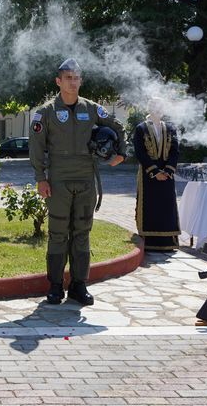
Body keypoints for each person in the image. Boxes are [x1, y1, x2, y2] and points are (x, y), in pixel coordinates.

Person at [29, 58, 126, 305]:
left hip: (85, 178)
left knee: (82, 232)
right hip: (59, 179)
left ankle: (79, 285)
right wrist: (41, 179)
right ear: (58, 81)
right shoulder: (45, 112)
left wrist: (121, 154)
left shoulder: (91, 108)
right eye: (68, 78)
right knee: (58, 232)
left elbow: (119, 127)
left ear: (81, 81)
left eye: (76, 77)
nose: (73, 82)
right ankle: (54, 286)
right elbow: (36, 148)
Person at [132, 97, 180, 252]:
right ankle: (149, 240)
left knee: (166, 206)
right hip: (148, 175)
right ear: (149, 108)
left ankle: (168, 241)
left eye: (160, 106)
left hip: (167, 175)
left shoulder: (171, 128)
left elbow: (175, 151)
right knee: (150, 205)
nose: (157, 109)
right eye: (154, 106)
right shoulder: (141, 128)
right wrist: (154, 172)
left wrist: (167, 171)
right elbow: (140, 152)